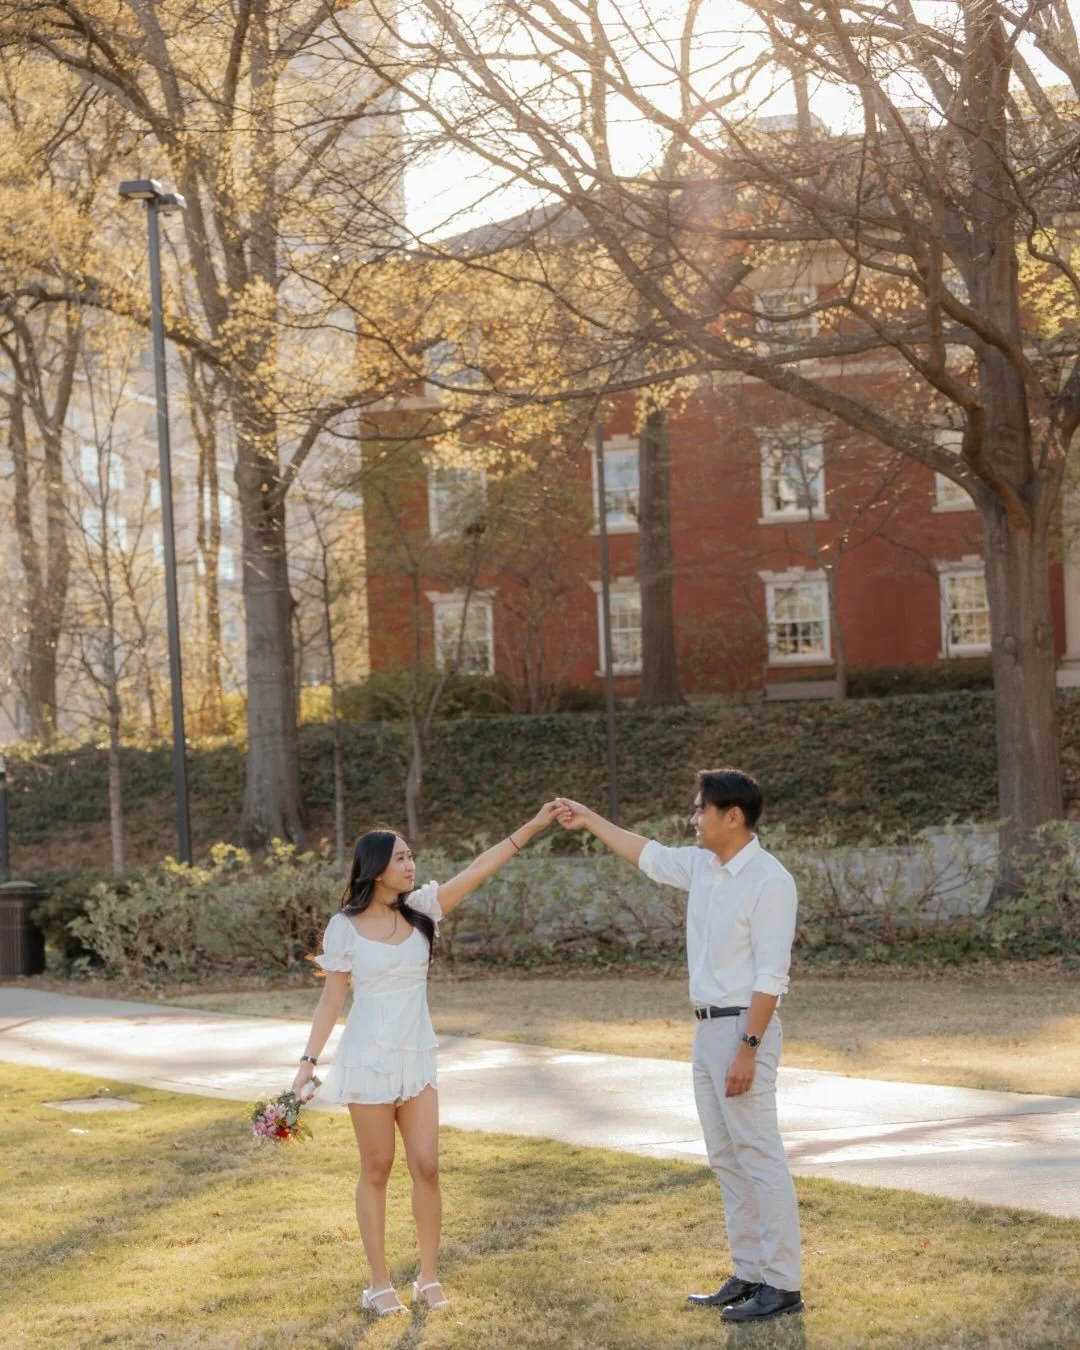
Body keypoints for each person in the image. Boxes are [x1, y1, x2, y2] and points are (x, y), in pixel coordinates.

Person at [554, 770, 803, 1323]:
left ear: (731, 816)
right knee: (726, 1156)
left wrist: (749, 1048)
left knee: (759, 1154)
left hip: (744, 1029)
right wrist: (590, 818)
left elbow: (771, 975)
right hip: (706, 1030)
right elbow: (646, 854)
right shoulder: (702, 867)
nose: (694, 819)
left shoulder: (770, 880)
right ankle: (750, 1272)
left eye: (701, 810)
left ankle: (783, 1284)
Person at [292, 803, 560, 1317]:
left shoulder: (423, 911)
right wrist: (308, 1060)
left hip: (417, 1057)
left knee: (427, 1166)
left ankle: (429, 1277)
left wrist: (534, 825)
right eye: (400, 858)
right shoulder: (344, 927)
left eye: (412, 856)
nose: (410, 865)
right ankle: (378, 1284)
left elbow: (479, 868)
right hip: (368, 1059)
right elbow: (331, 1001)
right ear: (374, 867)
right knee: (377, 1167)